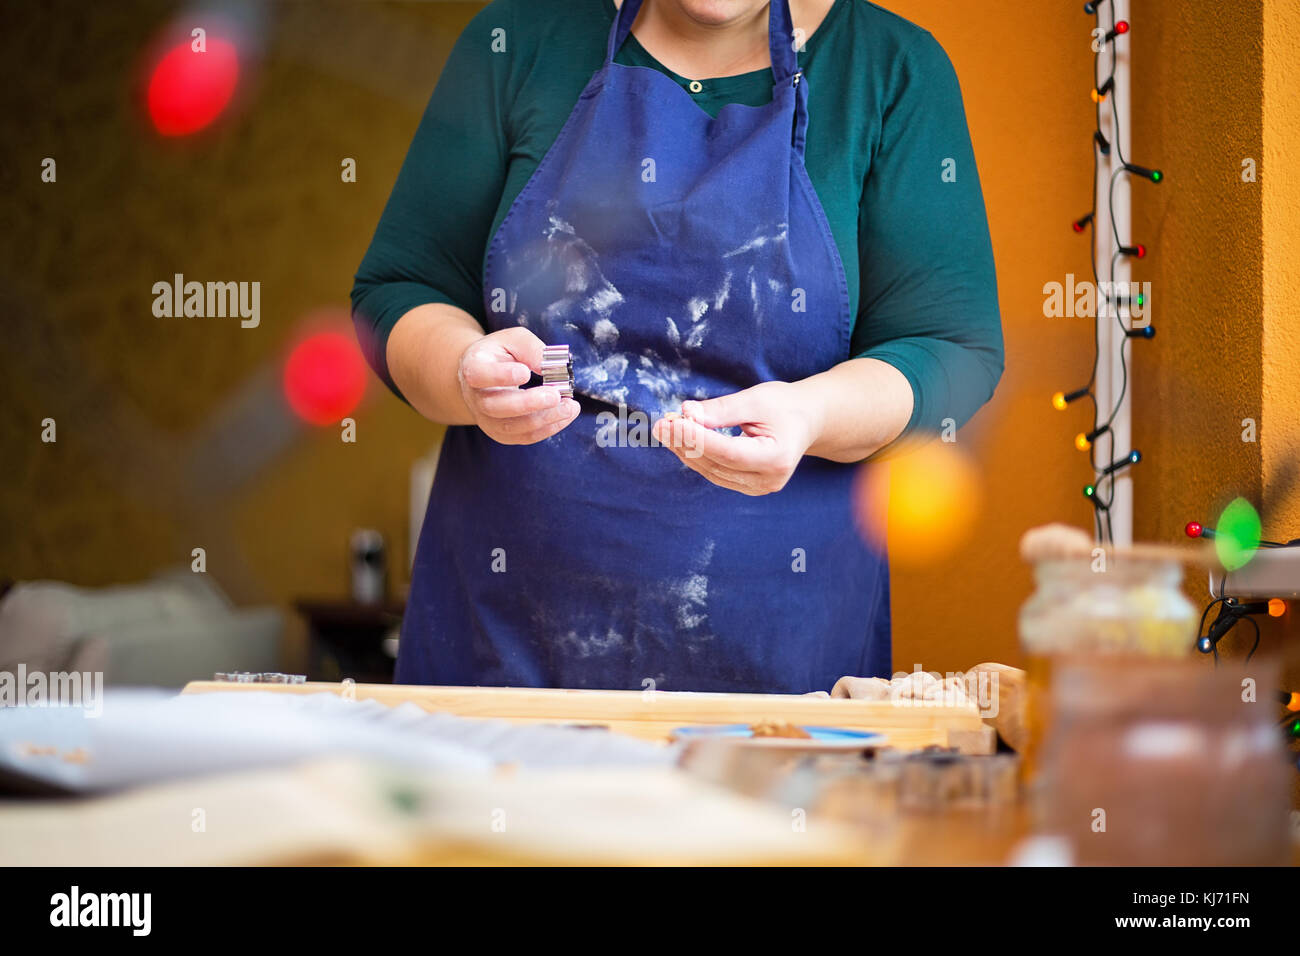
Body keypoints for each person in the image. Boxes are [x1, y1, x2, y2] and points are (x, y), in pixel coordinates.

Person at [351, 0, 1003, 693]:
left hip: (781, 671)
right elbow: (402, 288)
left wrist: (810, 415)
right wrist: (461, 372)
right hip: (505, 661)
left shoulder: (890, 69)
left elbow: (949, 348)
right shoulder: (517, 41)